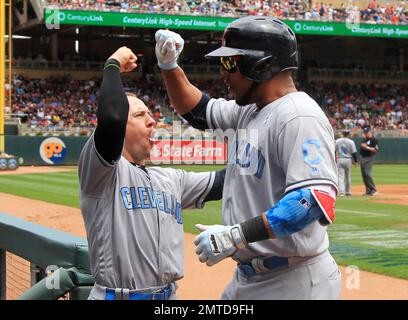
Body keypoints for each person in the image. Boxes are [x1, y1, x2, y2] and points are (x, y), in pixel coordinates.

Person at [154, 16, 341, 300]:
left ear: (262, 65)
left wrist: (236, 235)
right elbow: (197, 111)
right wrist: (169, 66)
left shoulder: (299, 116)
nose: (223, 74)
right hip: (249, 277)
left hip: (294, 281)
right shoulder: (250, 109)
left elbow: (309, 202)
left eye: (230, 63)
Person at [78, 47, 225, 300]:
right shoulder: (102, 173)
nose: (152, 120)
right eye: (138, 115)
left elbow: (224, 181)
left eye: (150, 113)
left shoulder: (170, 178)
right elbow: (111, 118)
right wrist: (112, 64)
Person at [335, 129, 358, 196]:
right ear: (348, 134)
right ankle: (348, 191)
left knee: (340, 176)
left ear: (342, 133)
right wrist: (356, 161)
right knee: (348, 176)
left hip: (340, 159)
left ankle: (341, 192)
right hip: (348, 159)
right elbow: (354, 152)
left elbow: (334, 150)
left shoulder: (338, 141)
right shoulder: (351, 142)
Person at [359, 126, 379, 196]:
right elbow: (361, 145)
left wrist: (366, 147)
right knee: (364, 175)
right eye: (365, 132)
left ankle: (373, 190)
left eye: (366, 132)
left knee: (367, 174)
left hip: (369, 158)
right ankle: (368, 190)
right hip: (362, 158)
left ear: (370, 132)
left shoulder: (374, 140)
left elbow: (375, 150)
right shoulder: (364, 139)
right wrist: (365, 147)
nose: (365, 134)